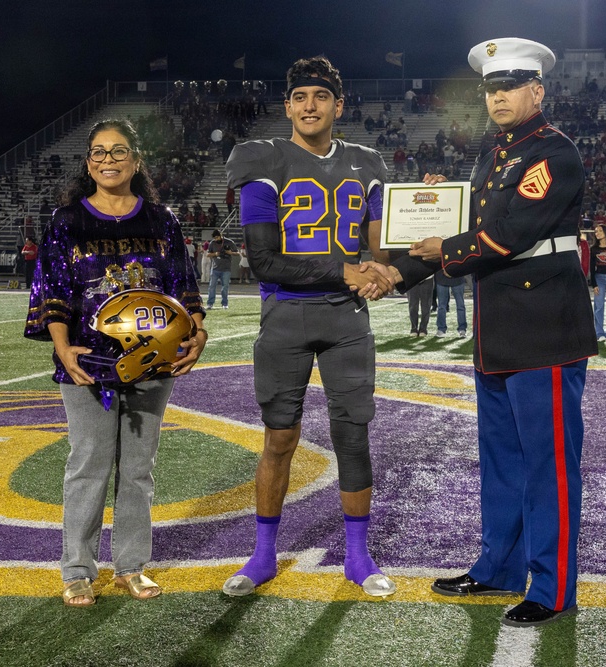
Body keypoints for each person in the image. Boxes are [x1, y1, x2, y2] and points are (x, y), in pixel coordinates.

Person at [387, 38, 597, 627]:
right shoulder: (493, 158)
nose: (499, 96)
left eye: (510, 86)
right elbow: (471, 227)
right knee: (502, 459)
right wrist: (432, 212)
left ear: (538, 90)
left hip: (544, 328)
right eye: (491, 87)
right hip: (500, 327)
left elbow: (508, 236)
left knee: (548, 464)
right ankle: (499, 567)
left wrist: (445, 244)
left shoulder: (554, 154)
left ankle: (554, 589)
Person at [221, 56, 396, 599]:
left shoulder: (367, 162)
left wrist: (424, 211)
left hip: (347, 318)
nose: (309, 106)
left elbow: (380, 252)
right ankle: (263, 554)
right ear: (288, 106)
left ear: (337, 106)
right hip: (286, 316)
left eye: (320, 96)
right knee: (279, 438)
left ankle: (358, 556)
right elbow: (264, 260)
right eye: (300, 98)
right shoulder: (262, 158)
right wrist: (340, 270)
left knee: (352, 435)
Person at [24, 119, 206, 607]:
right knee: (88, 464)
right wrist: (62, 348)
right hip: (88, 362)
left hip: (152, 361)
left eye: (118, 151)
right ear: (88, 162)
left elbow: (183, 287)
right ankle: (78, 569)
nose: (108, 159)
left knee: (139, 468)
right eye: (98, 152)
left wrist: (198, 333)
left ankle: (130, 565)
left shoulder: (161, 219)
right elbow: (53, 292)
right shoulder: (67, 221)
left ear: (136, 161)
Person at [206, 229, 237, 309]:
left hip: (226, 268)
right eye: (214, 238)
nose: (216, 239)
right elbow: (208, 254)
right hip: (215, 268)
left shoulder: (229, 242)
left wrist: (230, 253)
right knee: (212, 286)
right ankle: (210, 303)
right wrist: (215, 254)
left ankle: (224, 303)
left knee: (225, 287)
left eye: (217, 237)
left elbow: (237, 252)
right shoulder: (212, 243)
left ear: (221, 235)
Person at [434, 270, 467, 338]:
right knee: (441, 306)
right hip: (441, 276)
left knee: (460, 305)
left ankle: (462, 329)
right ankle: (441, 329)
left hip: (458, 276)